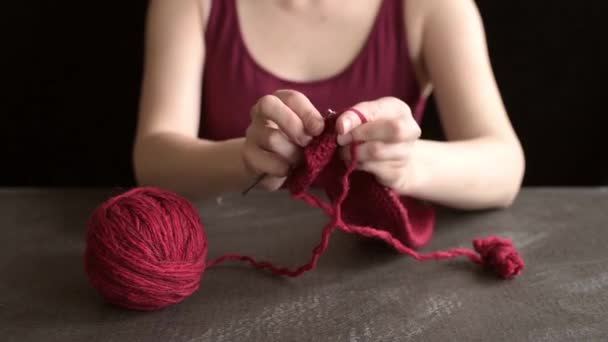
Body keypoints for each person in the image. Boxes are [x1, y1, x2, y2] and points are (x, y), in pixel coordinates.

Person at [133, 0, 525, 210]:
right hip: (224, 255)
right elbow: (152, 156)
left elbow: (504, 168)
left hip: (380, 269)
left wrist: (406, 164)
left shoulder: (433, 6)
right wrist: (245, 158)